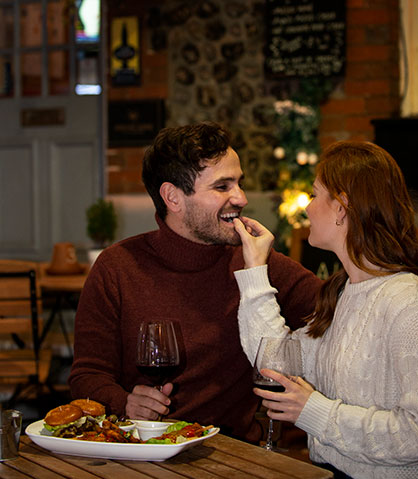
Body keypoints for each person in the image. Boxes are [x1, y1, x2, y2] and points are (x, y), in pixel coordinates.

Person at [233, 141, 418, 479]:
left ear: (341, 207)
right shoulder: (344, 293)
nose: (307, 206)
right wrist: (255, 269)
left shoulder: (408, 299)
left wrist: (315, 412)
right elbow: (276, 363)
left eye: (314, 194)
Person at [68, 122, 320, 442]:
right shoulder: (116, 267)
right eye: (222, 186)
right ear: (173, 197)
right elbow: (87, 376)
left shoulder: (256, 263)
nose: (241, 198)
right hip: (144, 451)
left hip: (234, 453)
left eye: (239, 183)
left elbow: (338, 312)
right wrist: (125, 403)